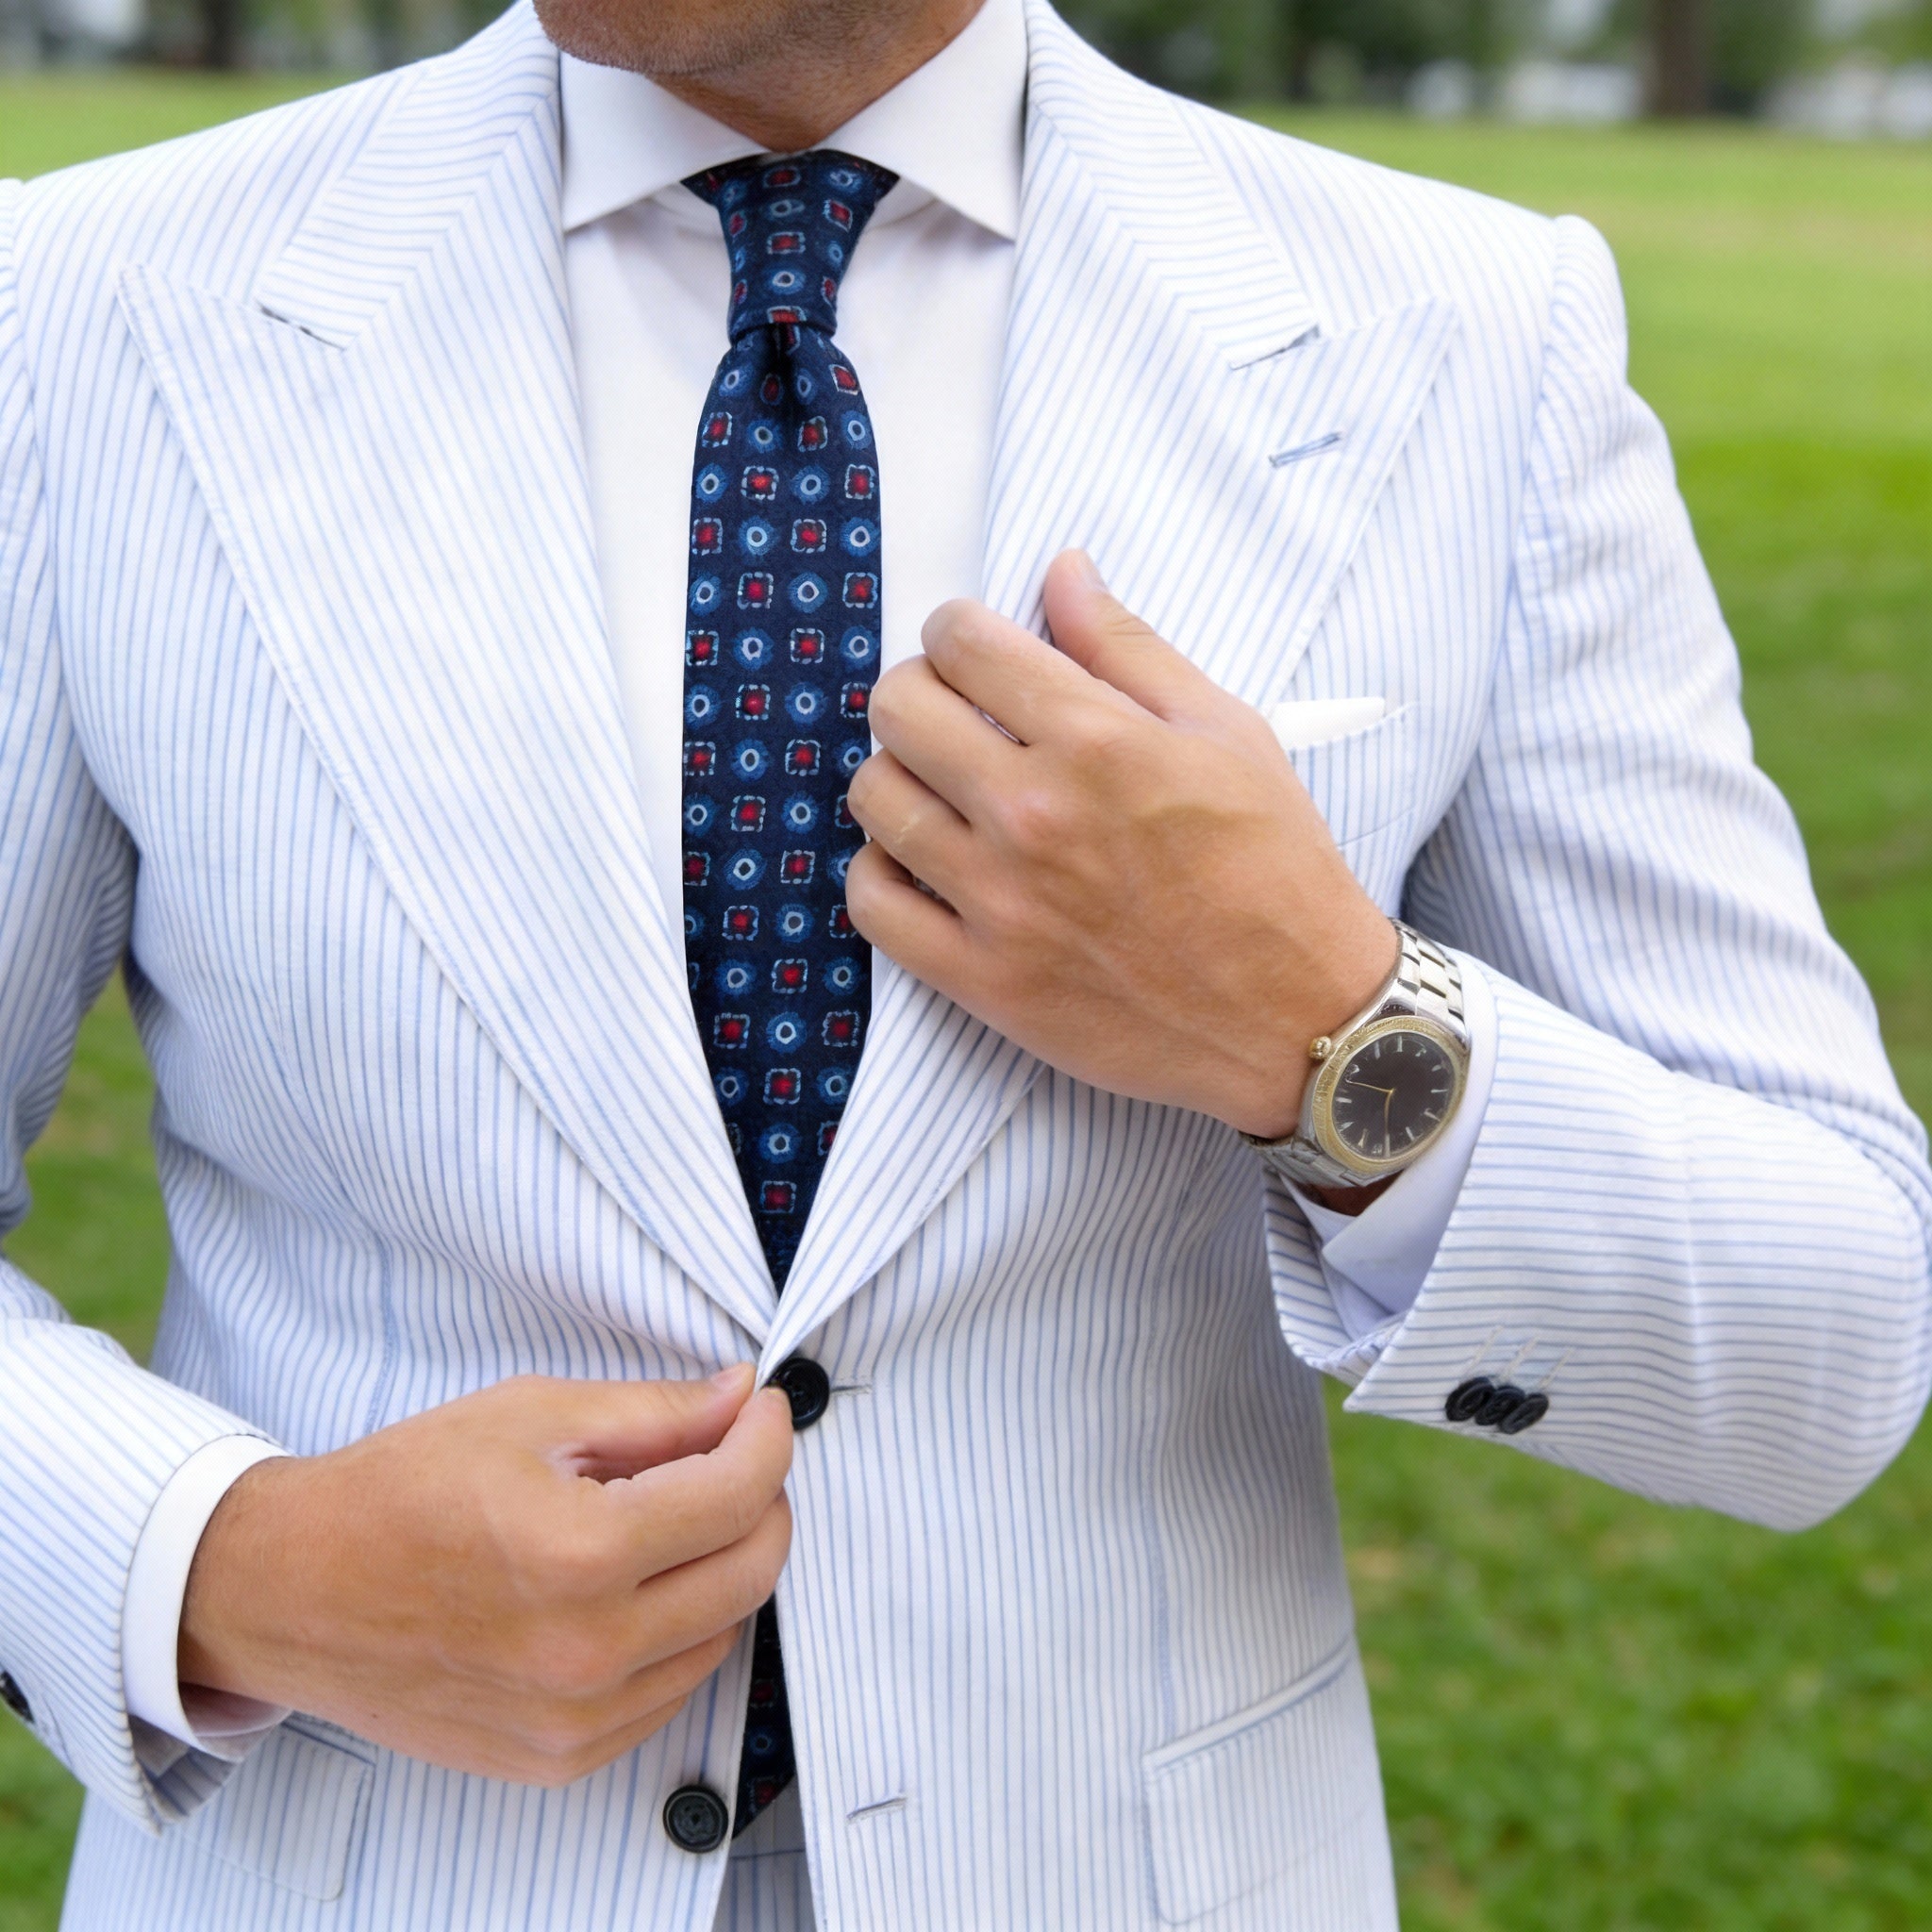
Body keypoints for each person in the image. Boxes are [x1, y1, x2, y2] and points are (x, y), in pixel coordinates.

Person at [1, 0, 1926, 1922]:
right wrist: (231, 1569)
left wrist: (1324, 1031)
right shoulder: (81, 309)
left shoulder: (1466, 338)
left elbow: (1831, 1340)